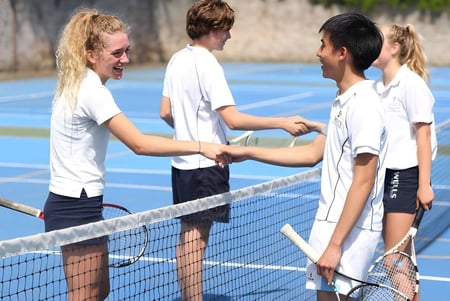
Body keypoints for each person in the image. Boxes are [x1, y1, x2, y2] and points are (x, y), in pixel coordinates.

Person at [44, 8, 230, 301]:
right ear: (91, 54)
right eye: (117, 53)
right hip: (73, 206)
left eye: (126, 51)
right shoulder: (91, 91)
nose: (125, 60)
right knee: (84, 296)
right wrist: (201, 146)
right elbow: (140, 144)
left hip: (82, 203)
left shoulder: (79, 81)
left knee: (99, 291)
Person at [217, 12, 387, 301]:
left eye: (323, 45)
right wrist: (246, 152)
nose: (317, 52)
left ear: (342, 53)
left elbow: (364, 180)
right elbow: (311, 154)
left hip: (348, 233)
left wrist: (335, 245)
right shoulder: (343, 101)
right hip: (332, 226)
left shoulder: (365, 106)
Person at [159, 1, 308, 300]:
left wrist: (192, 133)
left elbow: (165, 112)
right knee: (195, 241)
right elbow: (234, 119)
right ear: (214, 30)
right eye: (227, 30)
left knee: (188, 236)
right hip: (205, 167)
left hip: (182, 164)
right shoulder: (208, 64)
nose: (229, 36)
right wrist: (281, 123)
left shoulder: (177, 59)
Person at [372, 24, 437, 301]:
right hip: (383, 176)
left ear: (395, 48)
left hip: (406, 176)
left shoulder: (411, 84)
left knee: (394, 260)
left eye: (378, 41)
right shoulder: (376, 86)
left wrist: (424, 185)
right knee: (402, 259)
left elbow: (423, 136)